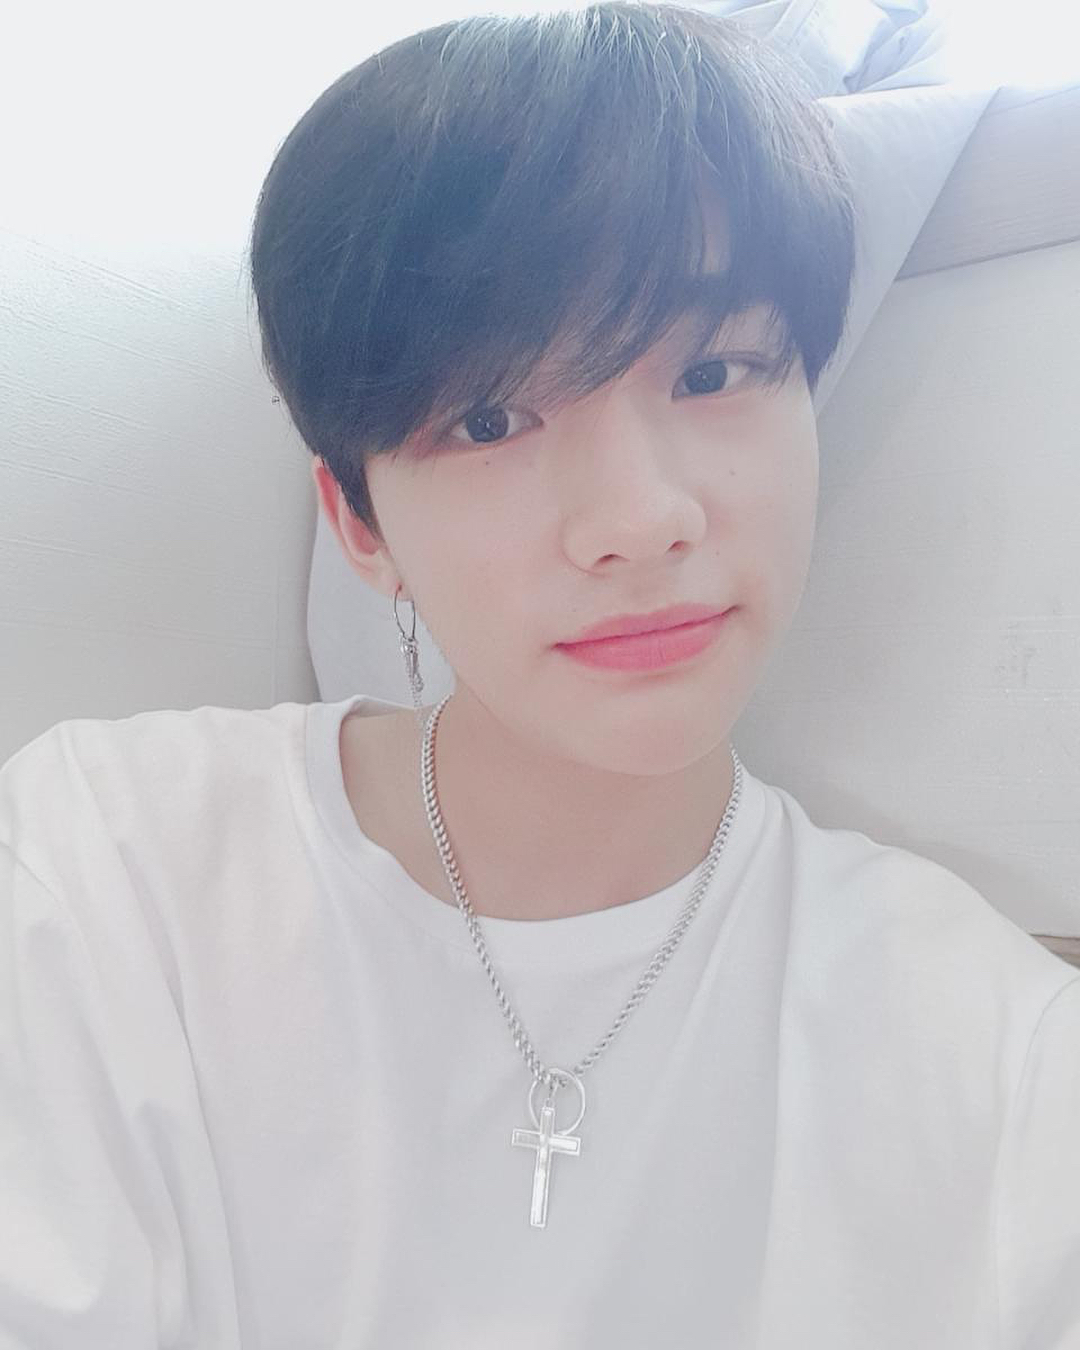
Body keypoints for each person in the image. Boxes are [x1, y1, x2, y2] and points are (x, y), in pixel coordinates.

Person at [2, 4, 1077, 1346]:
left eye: (715, 369)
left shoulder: (999, 1053)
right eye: (492, 416)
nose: (641, 517)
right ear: (359, 525)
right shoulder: (105, 876)